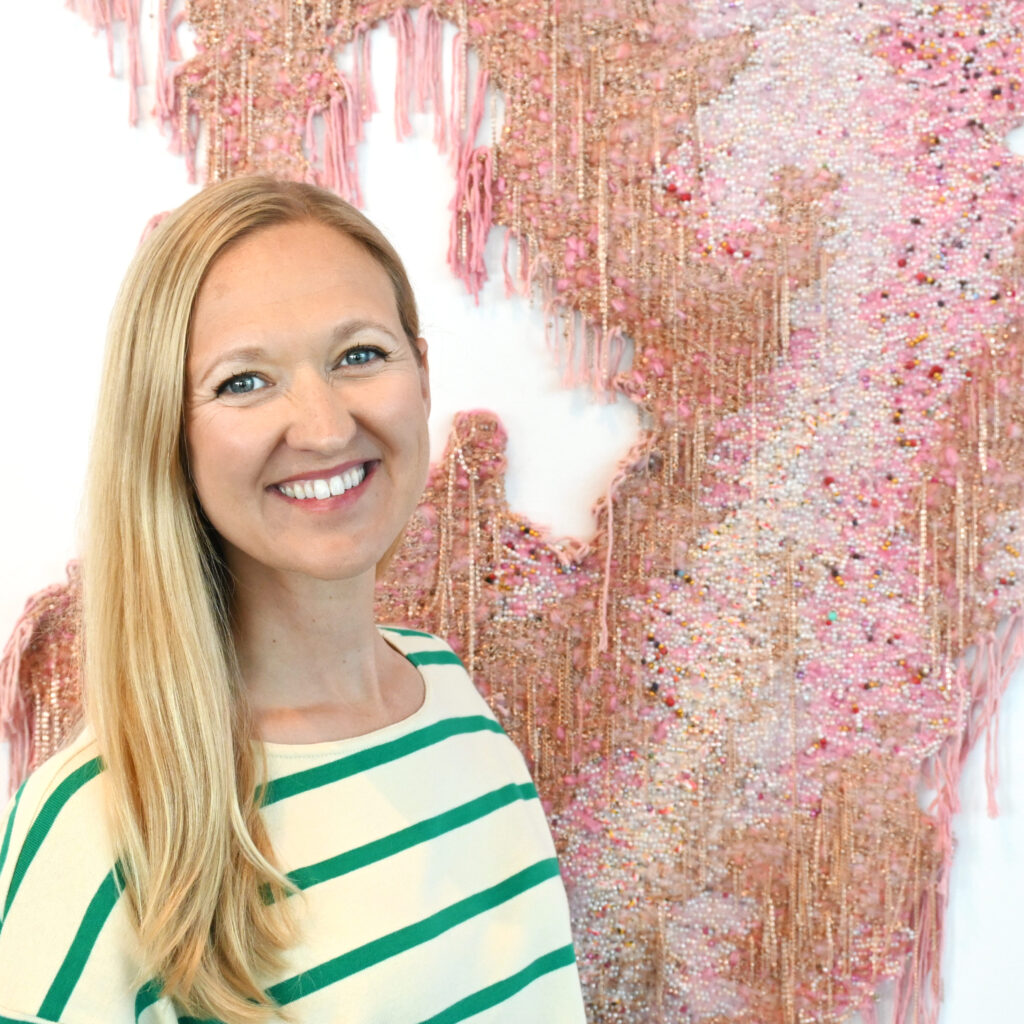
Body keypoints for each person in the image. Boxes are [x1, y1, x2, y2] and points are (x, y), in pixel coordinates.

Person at [0, 177, 586, 1023]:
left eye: (360, 356)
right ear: (167, 432)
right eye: (244, 381)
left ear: (423, 376)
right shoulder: (95, 822)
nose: (324, 427)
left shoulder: (447, 690)